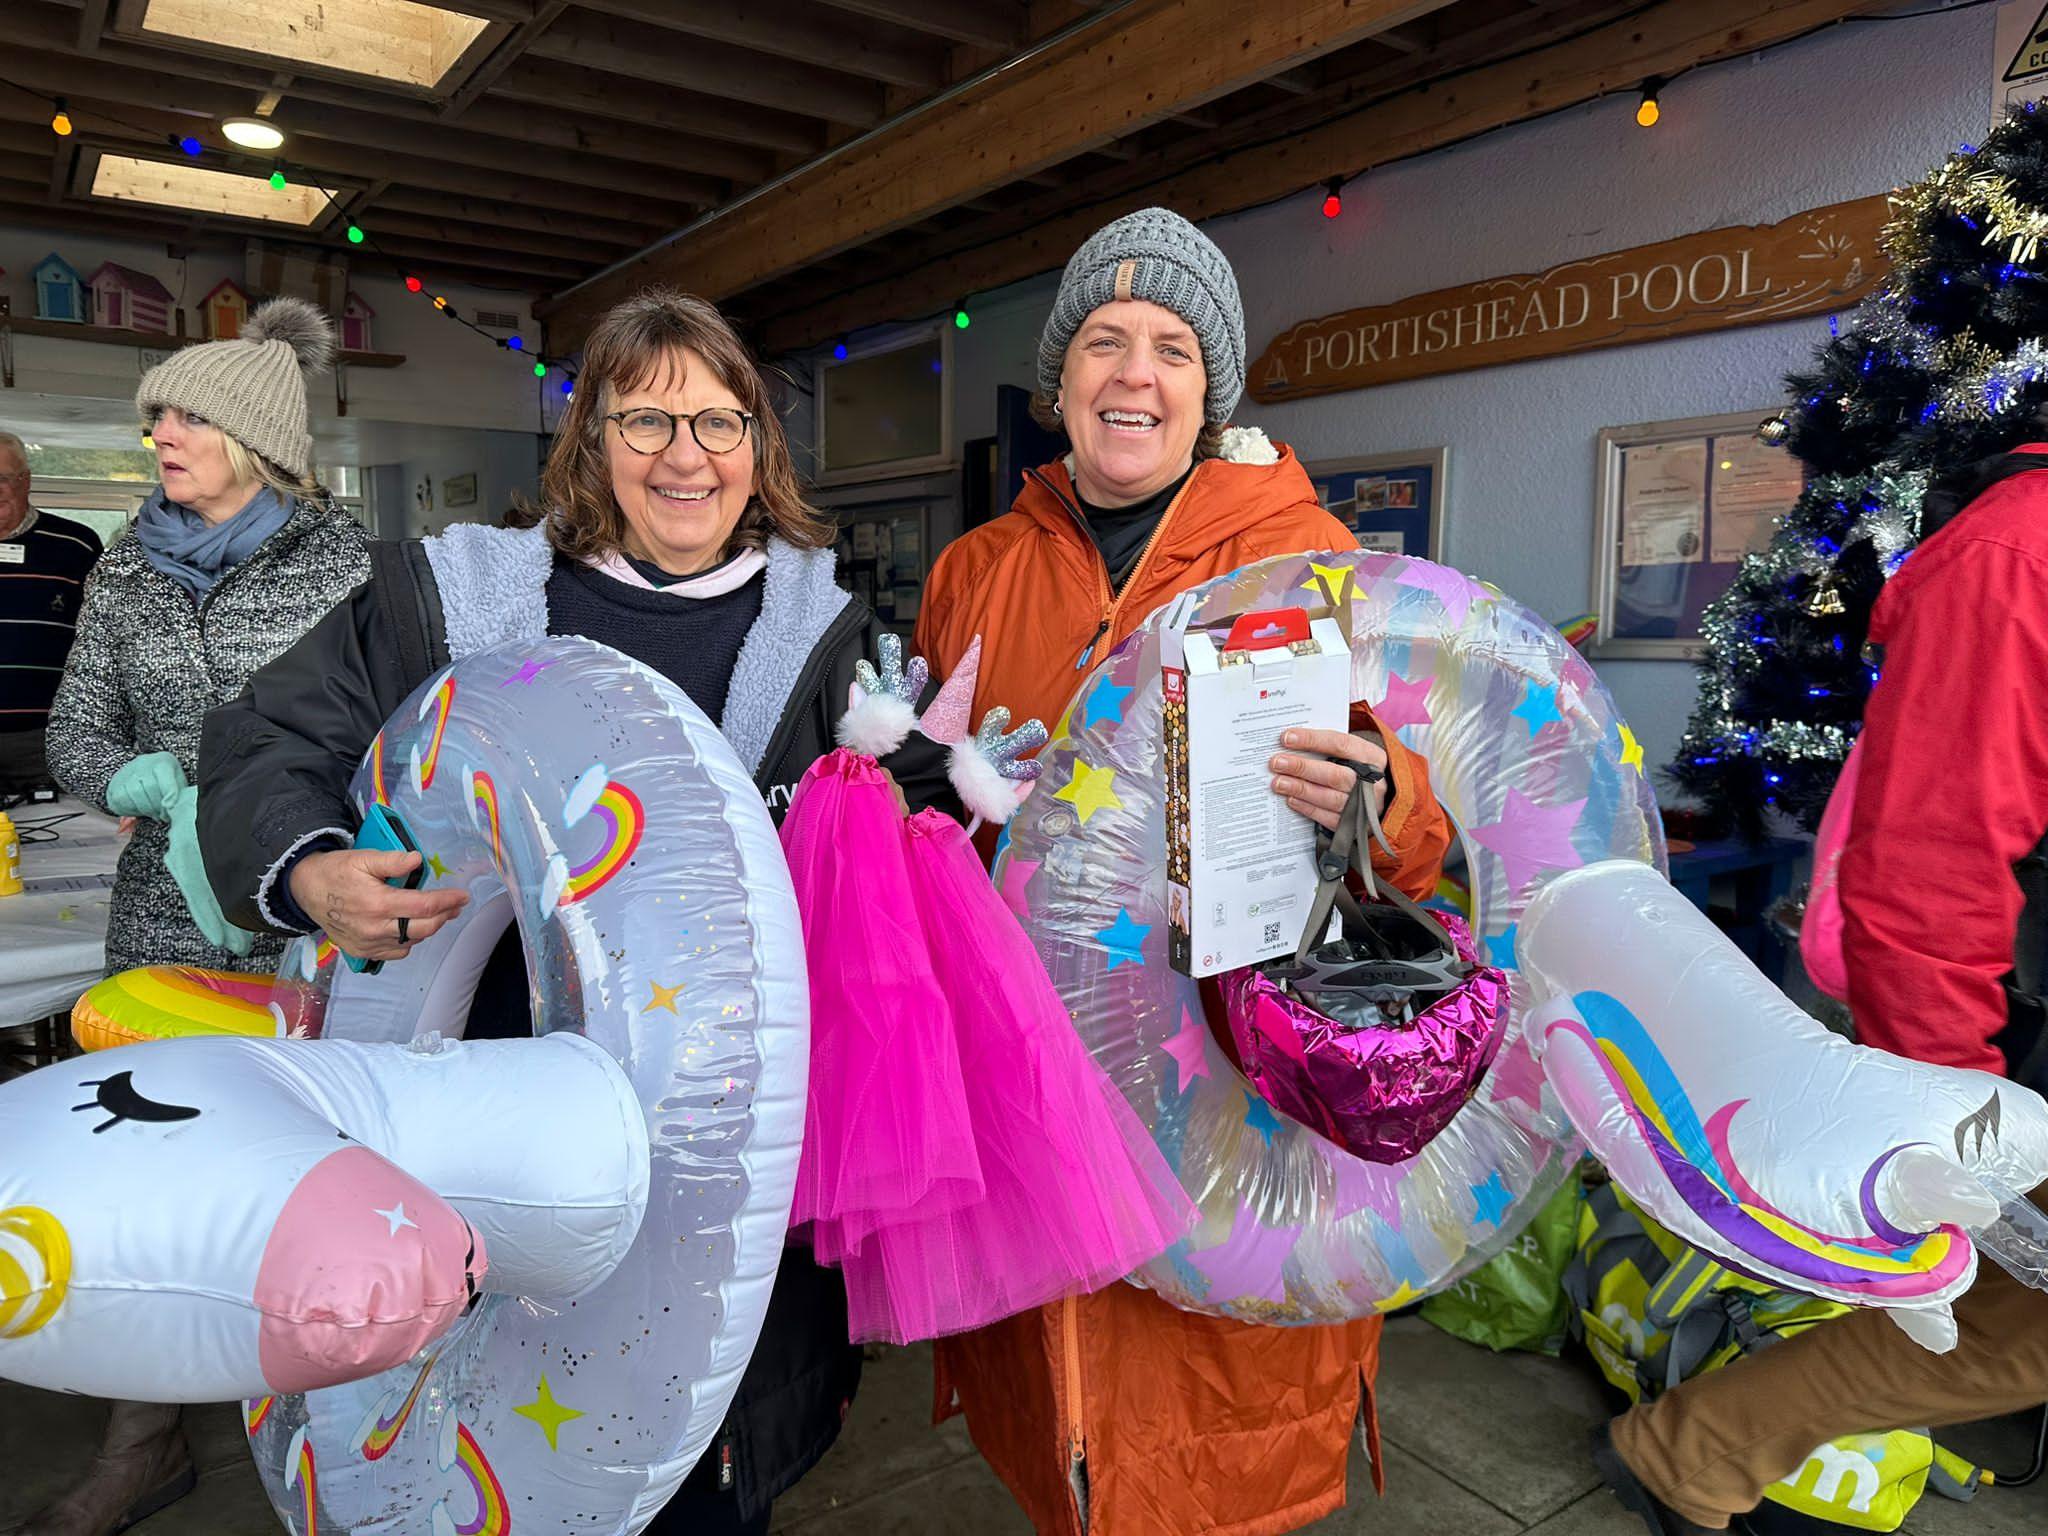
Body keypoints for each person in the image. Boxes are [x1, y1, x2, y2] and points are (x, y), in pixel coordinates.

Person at [199, 288, 952, 1536]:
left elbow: (909, 844)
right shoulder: (447, 600)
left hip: (719, 1181)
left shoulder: (829, 647)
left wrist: (969, 804)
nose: (684, 458)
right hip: (473, 1141)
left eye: (718, 424)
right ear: (590, 439)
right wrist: (313, 866)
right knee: (466, 1459)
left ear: (759, 448)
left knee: (698, 1492)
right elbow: (267, 739)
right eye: (646, 420)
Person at [911, 207, 1454, 1536]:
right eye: (1103, 339)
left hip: (1223, 1100)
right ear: (1061, 380)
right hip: (1025, 1098)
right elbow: (930, 805)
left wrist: (1378, 799)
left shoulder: (1314, 562)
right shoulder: (974, 570)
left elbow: (1422, 831)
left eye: (1170, 347)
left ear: (1212, 390)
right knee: (1059, 1442)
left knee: (1212, 1448)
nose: (1133, 374)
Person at [1592, 435, 2048, 1534]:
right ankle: (1687, 1450)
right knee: (2003, 1324)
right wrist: (1958, 1119)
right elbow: (1929, 869)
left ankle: (1691, 1452)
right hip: (2016, 1058)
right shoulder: (2015, 552)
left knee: (2003, 1326)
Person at [30, 301, 371, 1536]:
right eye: (154, 416)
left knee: (304, 1167)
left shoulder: (352, 566)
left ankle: (336, 1435)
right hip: (161, 918)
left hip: (305, 915)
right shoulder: (125, 564)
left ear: (255, 434)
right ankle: (144, 1443)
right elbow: (75, 725)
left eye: (185, 413)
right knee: (154, 1166)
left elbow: (403, 736)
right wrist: (130, 776)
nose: (161, 433)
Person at [0, 430, 102, 787]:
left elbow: (102, 641)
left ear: (25, 481)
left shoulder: (76, 545)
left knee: (65, 837)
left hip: (45, 739)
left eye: (2, 479)